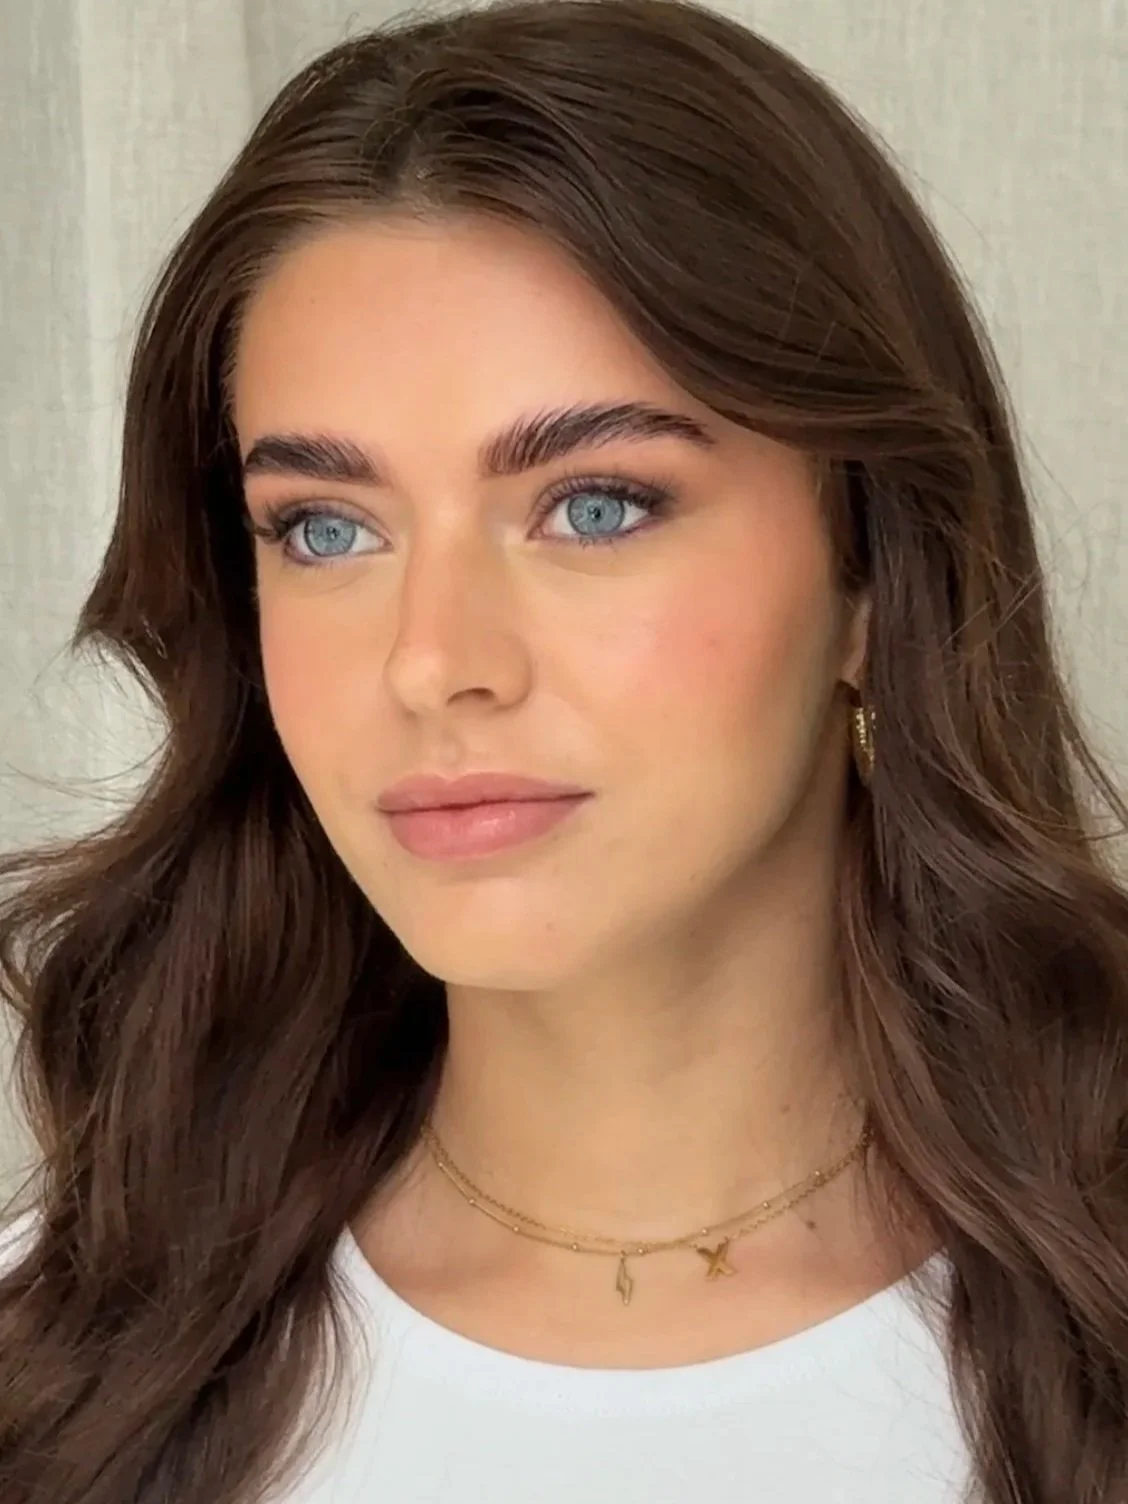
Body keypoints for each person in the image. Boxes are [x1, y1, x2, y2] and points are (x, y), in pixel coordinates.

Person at [1, 0, 1126, 1499]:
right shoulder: (60, 1366)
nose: (434, 661)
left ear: (871, 575)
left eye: (596, 505)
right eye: (325, 529)